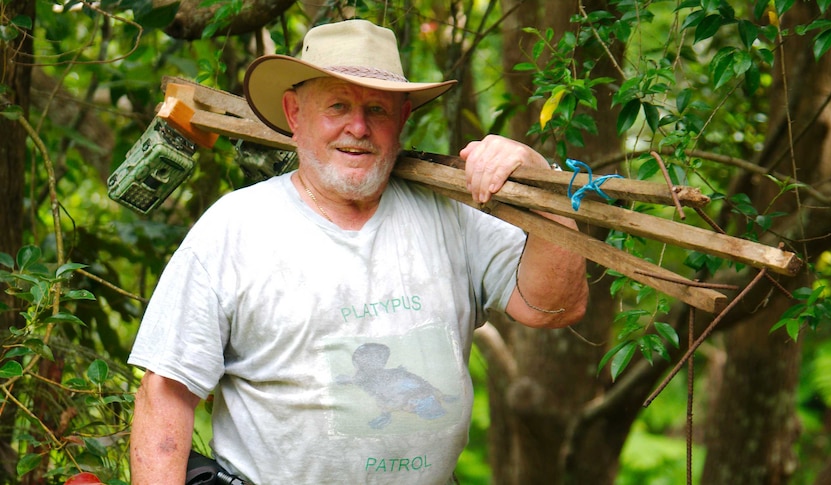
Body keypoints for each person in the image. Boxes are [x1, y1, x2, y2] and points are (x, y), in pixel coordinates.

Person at [128, 19, 588, 485]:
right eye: (337, 106)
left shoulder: (453, 216)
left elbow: (555, 306)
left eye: (377, 109)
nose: (358, 127)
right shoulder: (235, 228)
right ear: (293, 113)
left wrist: (539, 181)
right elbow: (166, 393)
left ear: (403, 117)